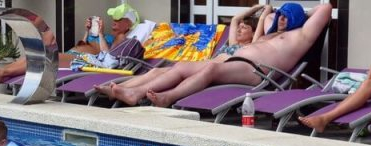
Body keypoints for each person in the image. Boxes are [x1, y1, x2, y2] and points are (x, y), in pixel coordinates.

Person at [97, 2, 331, 108]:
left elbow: (326, 8)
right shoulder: (270, 34)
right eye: (281, 15)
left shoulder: (300, 36)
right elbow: (268, 16)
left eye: (287, 17)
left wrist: (300, 14)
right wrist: (278, 12)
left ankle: (168, 97)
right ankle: (129, 90)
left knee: (211, 68)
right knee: (178, 67)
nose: (281, 20)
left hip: (257, 72)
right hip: (235, 62)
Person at [94, 3, 267, 103]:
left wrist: (265, 11)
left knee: (173, 71)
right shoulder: (234, 43)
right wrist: (256, 7)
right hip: (202, 66)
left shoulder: (252, 47)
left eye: (245, 28)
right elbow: (235, 19)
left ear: (253, 33)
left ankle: (131, 93)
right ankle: (119, 89)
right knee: (156, 71)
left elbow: (259, 26)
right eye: (240, 27)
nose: (239, 29)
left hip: (213, 70)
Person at [0, 3, 140, 84]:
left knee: (43, 57)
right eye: (114, 18)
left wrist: (101, 34)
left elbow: (108, 57)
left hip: (84, 61)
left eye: (119, 19)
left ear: (129, 23)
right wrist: (88, 32)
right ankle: (0, 73)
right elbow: (84, 44)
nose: (114, 22)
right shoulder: (111, 36)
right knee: (37, 56)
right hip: (75, 55)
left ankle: (1, 73)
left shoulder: (122, 39)